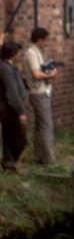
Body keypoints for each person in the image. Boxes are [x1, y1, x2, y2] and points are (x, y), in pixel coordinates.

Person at [23, 27, 59, 165]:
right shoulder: (32, 53)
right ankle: (49, 158)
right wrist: (50, 75)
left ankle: (39, 155)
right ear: (39, 39)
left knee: (40, 126)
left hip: (40, 91)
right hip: (39, 92)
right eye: (46, 40)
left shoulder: (36, 52)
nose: (47, 43)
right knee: (46, 126)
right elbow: (36, 74)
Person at [0, 42, 27, 172]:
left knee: (8, 136)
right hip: (9, 109)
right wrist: (20, 112)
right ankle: (9, 162)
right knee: (19, 138)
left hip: (9, 108)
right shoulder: (5, 68)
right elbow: (12, 93)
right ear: (13, 53)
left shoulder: (7, 67)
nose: (19, 54)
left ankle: (8, 163)